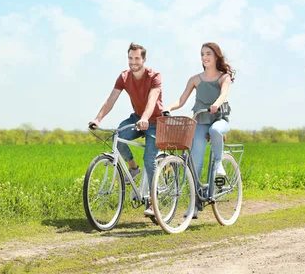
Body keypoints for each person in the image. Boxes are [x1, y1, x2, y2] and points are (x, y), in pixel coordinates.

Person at [89, 42, 164, 217]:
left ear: (144, 59)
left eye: (137, 58)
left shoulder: (155, 76)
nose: (133, 62)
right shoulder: (123, 77)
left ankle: (154, 202)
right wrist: (98, 119)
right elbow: (111, 99)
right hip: (137, 118)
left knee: (150, 159)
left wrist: (146, 118)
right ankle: (133, 168)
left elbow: (153, 100)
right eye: (130, 58)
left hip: (155, 121)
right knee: (118, 138)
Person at [167, 42, 235, 217]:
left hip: (219, 119)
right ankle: (194, 204)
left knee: (215, 131)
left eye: (208, 54)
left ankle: (219, 164)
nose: (204, 57)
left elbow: (223, 94)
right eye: (202, 54)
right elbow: (181, 100)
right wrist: (169, 108)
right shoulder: (195, 79)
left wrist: (216, 104)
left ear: (216, 56)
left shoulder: (223, 77)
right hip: (200, 120)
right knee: (194, 163)